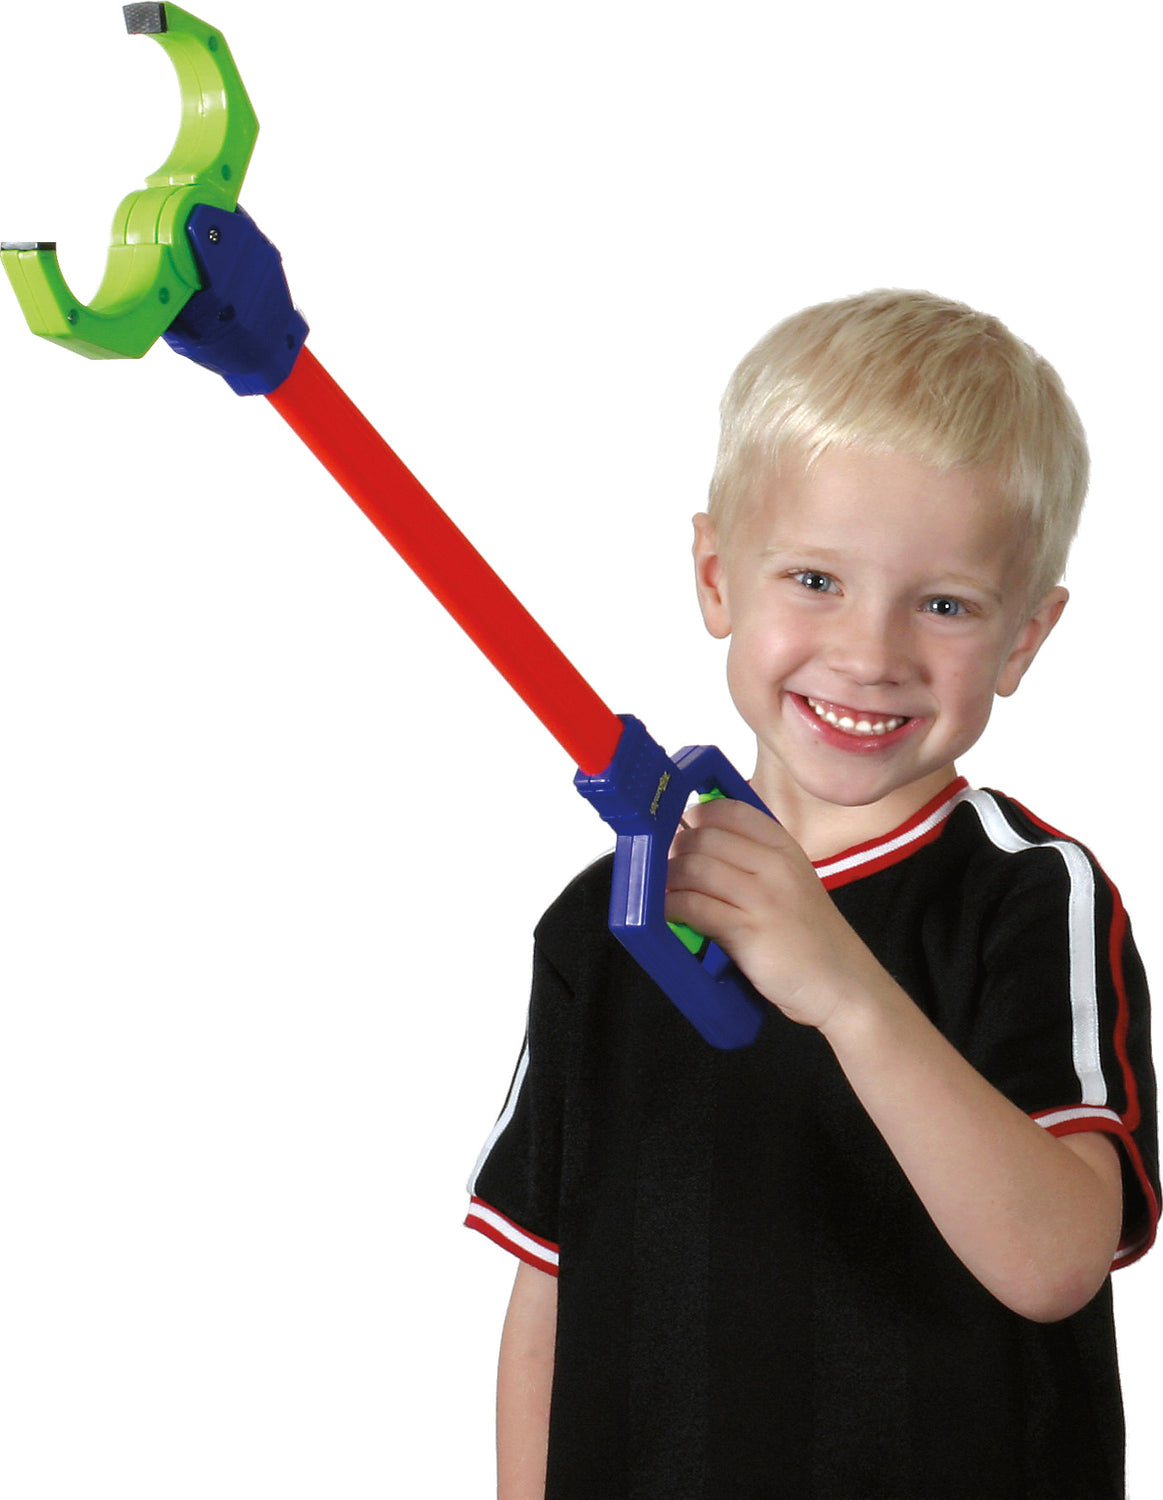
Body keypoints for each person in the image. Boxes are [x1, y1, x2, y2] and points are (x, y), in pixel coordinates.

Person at [465, 289, 1159, 1499]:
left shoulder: (1025, 894)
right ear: (715, 577)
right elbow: (549, 1289)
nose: (869, 653)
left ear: (1021, 639)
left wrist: (843, 989)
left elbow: (1056, 1260)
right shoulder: (603, 921)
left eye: (942, 604)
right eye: (814, 580)